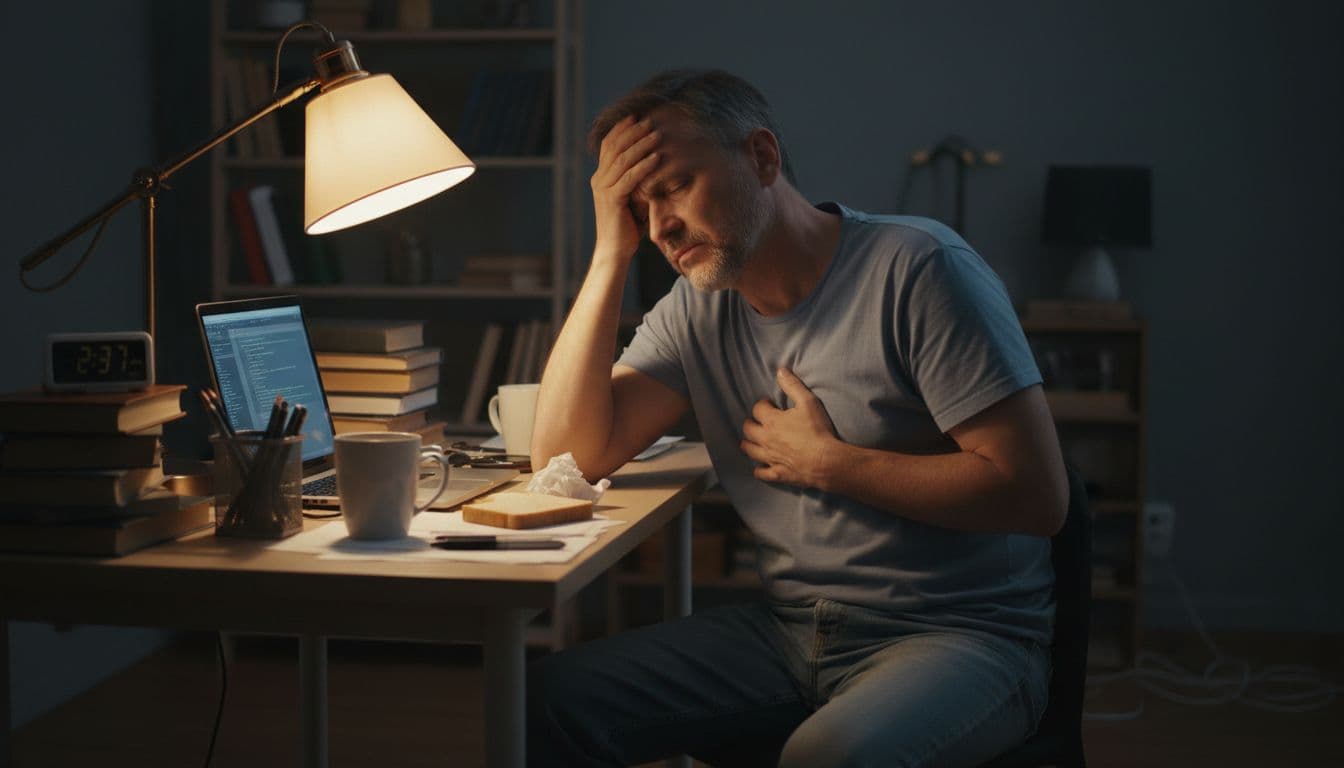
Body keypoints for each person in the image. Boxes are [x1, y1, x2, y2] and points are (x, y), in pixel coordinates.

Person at [527, 69, 1068, 768]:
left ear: (762, 157)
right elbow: (565, 460)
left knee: (826, 759)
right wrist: (610, 252)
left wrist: (834, 466)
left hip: (963, 636)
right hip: (792, 633)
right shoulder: (696, 308)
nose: (659, 226)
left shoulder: (919, 268)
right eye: (637, 208)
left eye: (675, 186)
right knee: (544, 700)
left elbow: (1037, 496)